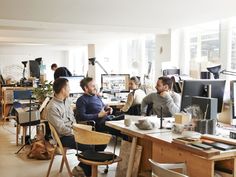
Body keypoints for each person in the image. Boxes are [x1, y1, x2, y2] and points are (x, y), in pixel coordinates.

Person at [46, 78, 103, 177]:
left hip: (73, 131)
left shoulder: (67, 100)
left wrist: (79, 131)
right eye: (68, 87)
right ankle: (86, 172)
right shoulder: (52, 107)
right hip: (63, 137)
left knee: (100, 142)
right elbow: (61, 129)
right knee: (88, 145)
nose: (70, 89)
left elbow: (73, 120)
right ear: (63, 89)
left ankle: (81, 169)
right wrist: (77, 133)